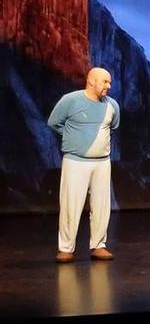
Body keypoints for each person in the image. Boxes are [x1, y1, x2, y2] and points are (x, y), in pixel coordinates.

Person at [48, 67, 120, 263]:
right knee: (71, 205)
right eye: (105, 82)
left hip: (102, 163)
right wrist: (73, 138)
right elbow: (54, 123)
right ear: (91, 81)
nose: (109, 86)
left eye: (110, 82)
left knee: (101, 206)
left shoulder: (112, 105)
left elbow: (113, 127)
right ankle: (66, 248)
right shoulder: (70, 100)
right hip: (75, 161)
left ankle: (98, 245)